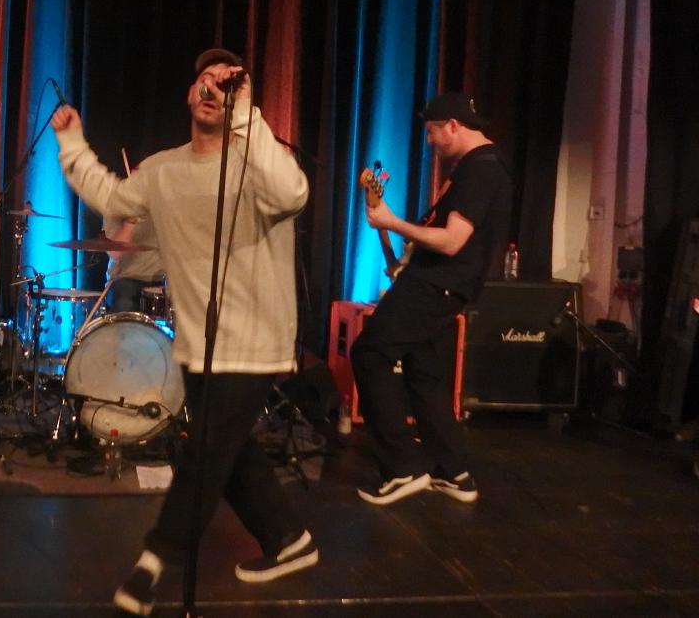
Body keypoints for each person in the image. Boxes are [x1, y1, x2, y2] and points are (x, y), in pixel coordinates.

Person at [52, 48, 317, 615]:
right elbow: (111, 197)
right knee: (230, 451)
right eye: (204, 78)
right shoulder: (163, 170)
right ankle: (289, 539)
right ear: (189, 94)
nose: (212, 87)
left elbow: (293, 194)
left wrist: (247, 115)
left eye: (226, 81)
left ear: (240, 97)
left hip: (256, 341)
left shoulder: (259, 163)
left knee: (204, 455)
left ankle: (151, 565)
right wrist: (72, 143)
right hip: (199, 342)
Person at [351, 92, 511, 505]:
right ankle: (453, 471)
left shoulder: (480, 168)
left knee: (369, 353)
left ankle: (402, 468)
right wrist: (400, 254)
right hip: (440, 284)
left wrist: (392, 221)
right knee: (426, 377)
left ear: (453, 126)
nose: (429, 141)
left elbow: (452, 241)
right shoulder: (479, 167)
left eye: (432, 131)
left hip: (435, 285)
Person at [102, 213, 164, 314]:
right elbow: (115, 252)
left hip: (163, 279)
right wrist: (131, 221)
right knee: (125, 304)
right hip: (126, 278)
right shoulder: (116, 207)